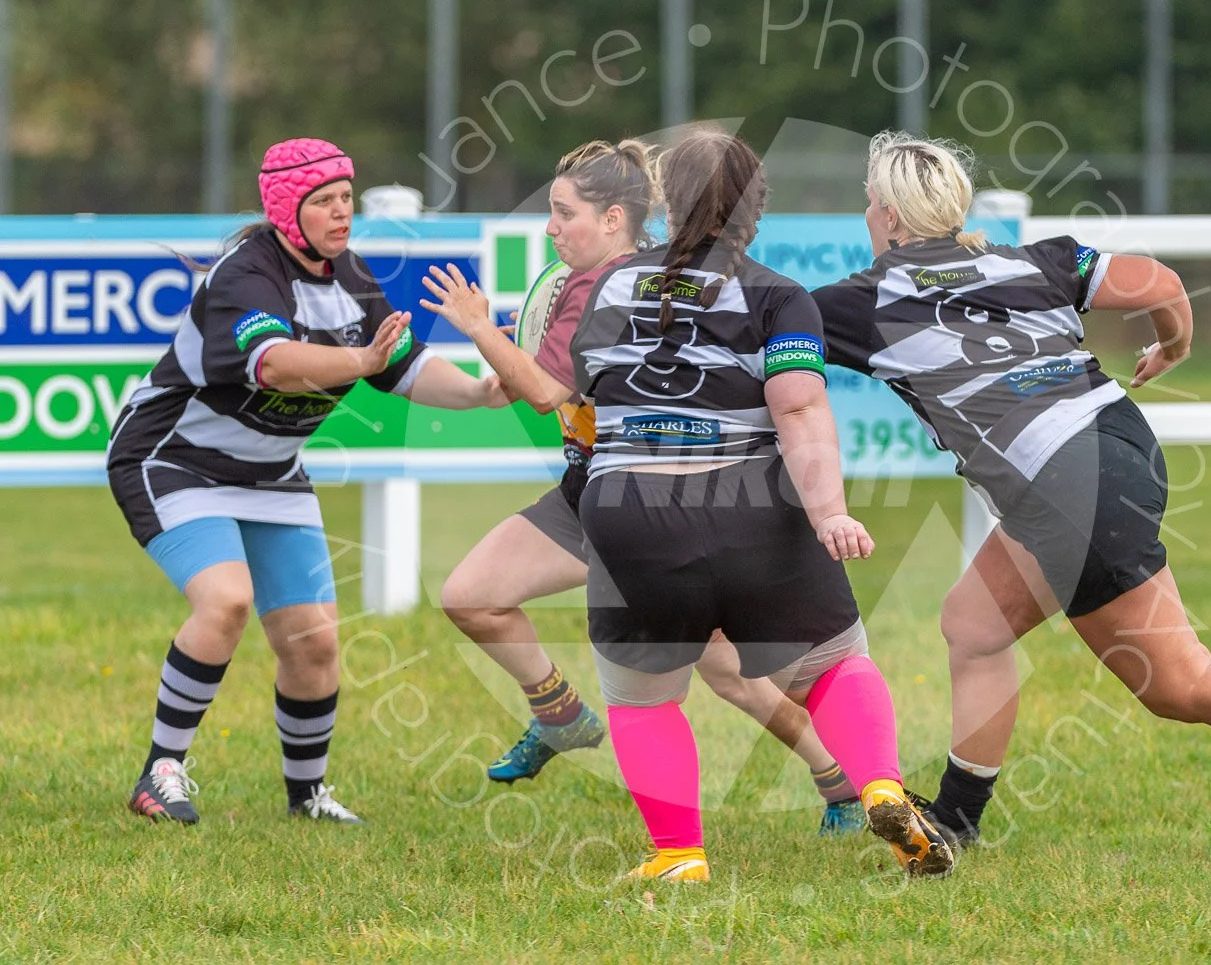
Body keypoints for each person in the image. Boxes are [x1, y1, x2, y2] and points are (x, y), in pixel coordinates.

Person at [811, 130, 1211, 845]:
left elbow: (751, 333)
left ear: (891, 218)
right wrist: (1173, 346)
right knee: (976, 624)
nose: (868, 218)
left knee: (1180, 684)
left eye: (870, 205)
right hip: (1117, 444)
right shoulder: (1035, 261)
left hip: (1064, 484)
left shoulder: (860, 302)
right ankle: (956, 822)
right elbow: (1165, 285)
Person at [417, 139, 865, 836]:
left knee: (731, 673)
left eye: (564, 213)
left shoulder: (640, 284)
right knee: (471, 596)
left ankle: (839, 781)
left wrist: (479, 330)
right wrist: (469, 371)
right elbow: (521, 386)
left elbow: (541, 391)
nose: (550, 227)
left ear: (615, 219)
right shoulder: (571, 287)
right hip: (591, 492)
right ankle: (560, 713)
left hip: (656, 497)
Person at [565, 128, 953, 882]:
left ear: (666, 202)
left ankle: (679, 856)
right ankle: (878, 783)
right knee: (836, 663)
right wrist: (830, 513)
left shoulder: (612, 285)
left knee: (643, 697)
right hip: (748, 508)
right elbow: (800, 411)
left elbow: (587, 397)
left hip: (626, 513)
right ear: (758, 208)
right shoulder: (779, 295)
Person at [109, 138, 509, 825]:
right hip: (173, 459)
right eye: (323, 201)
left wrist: (479, 393)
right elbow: (276, 367)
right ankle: (160, 771)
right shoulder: (247, 274)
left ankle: (307, 797)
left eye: (346, 198)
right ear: (285, 210)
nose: (340, 213)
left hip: (272, 471)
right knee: (226, 601)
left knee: (315, 641)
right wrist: (360, 358)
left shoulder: (347, 274)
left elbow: (402, 367)